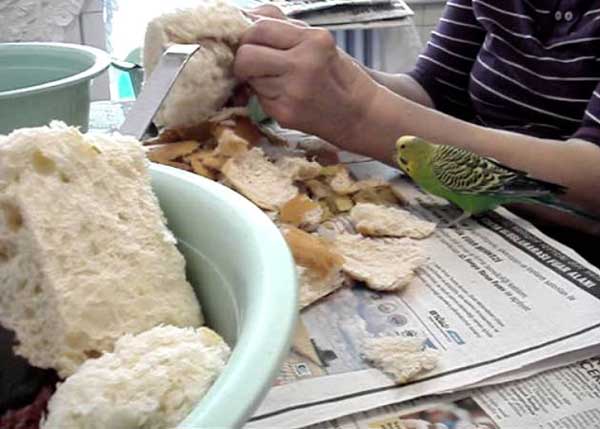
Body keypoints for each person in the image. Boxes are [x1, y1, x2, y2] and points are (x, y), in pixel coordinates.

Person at [233, 1, 600, 259]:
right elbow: (432, 89)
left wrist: (359, 115)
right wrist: (334, 72)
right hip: (490, 224)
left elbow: (592, 182)